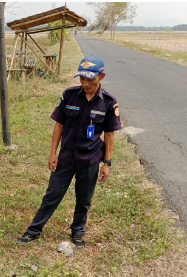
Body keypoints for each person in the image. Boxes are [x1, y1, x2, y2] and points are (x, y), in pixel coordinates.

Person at [17, 54, 121, 248]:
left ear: (101, 76)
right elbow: (59, 126)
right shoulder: (69, 95)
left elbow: (109, 134)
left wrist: (107, 163)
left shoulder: (108, 102)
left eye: (90, 79)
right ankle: (34, 230)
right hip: (65, 159)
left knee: (84, 200)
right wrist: (52, 153)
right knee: (51, 196)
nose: (86, 83)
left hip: (89, 160)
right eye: (82, 79)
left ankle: (78, 232)